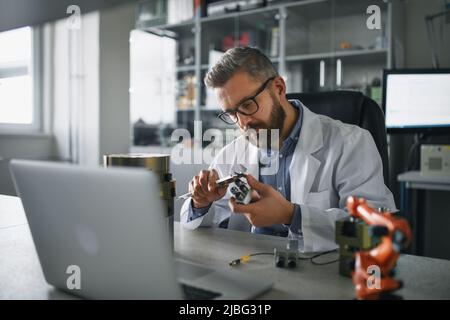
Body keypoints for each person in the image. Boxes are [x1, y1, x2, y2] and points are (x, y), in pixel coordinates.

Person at [180, 47, 396, 252]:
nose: (243, 123)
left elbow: (374, 229)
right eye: (231, 114)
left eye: (247, 105)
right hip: (250, 270)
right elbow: (200, 227)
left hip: (322, 278)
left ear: (279, 88)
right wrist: (200, 203)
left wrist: (292, 216)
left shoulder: (351, 143)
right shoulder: (233, 153)